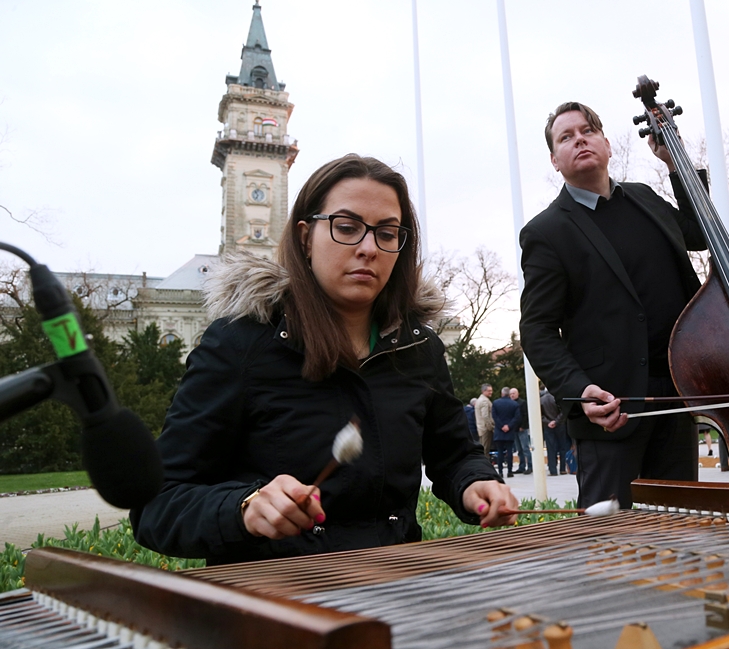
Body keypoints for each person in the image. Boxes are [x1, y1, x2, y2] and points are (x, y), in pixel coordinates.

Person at [131, 155, 516, 564]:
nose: (369, 248)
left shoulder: (419, 348)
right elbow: (158, 505)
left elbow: (454, 453)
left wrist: (476, 483)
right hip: (277, 603)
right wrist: (242, 507)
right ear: (305, 237)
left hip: (396, 587)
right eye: (347, 228)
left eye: (387, 233)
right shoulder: (239, 344)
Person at [519, 101, 707, 509]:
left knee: (681, 531)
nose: (579, 139)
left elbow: (699, 231)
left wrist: (677, 163)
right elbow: (537, 330)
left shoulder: (644, 198)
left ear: (606, 143)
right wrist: (579, 391)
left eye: (587, 131)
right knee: (612, 545)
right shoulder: (546, 232)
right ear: (555, 160)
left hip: (674, 398)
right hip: (610, 411)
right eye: (565, 137)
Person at [539, 384, 569, 476]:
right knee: (563, 447)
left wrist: (548, 422)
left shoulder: (541, 400)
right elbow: (563, 412)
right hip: (560, 425)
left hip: (548, 426)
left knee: (551, 449)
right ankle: (563, 468)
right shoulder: (557, 398)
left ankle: (553, 470)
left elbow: (540, 415)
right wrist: (556, 421)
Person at [491, 387, 521, 478]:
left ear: (502, 393)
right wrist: (509, 426)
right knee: (509, 451)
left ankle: (500, 471)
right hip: (510, 431)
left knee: (500, 452)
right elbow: (517, 417)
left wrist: (501, 426)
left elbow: (494, 416)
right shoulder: (514, 404)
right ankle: (509, 471)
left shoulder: (495, 403)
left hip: (499, 431)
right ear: (509, 394)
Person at [509, 388, 532, 474]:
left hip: (521, 429)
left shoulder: (522, 403)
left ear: (517, 394)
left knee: (525, 448)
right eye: (511, 394)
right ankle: (521, 466)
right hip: (514, 429)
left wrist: (523, 426)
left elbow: (525, 415)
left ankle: (530, 466)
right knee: (519, 449)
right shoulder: (511, 404)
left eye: (514, 393)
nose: (512, 395)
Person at [475, 383, 494, 456]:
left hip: (481, 428)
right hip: (485, 429)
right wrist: (490, 427)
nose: (491, 392)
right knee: (485, 450)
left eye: (491, 390)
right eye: (489, 391)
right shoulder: (484, 401)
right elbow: (485, 416)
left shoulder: (480, 400)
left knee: (483, 449)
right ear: (483, 391)